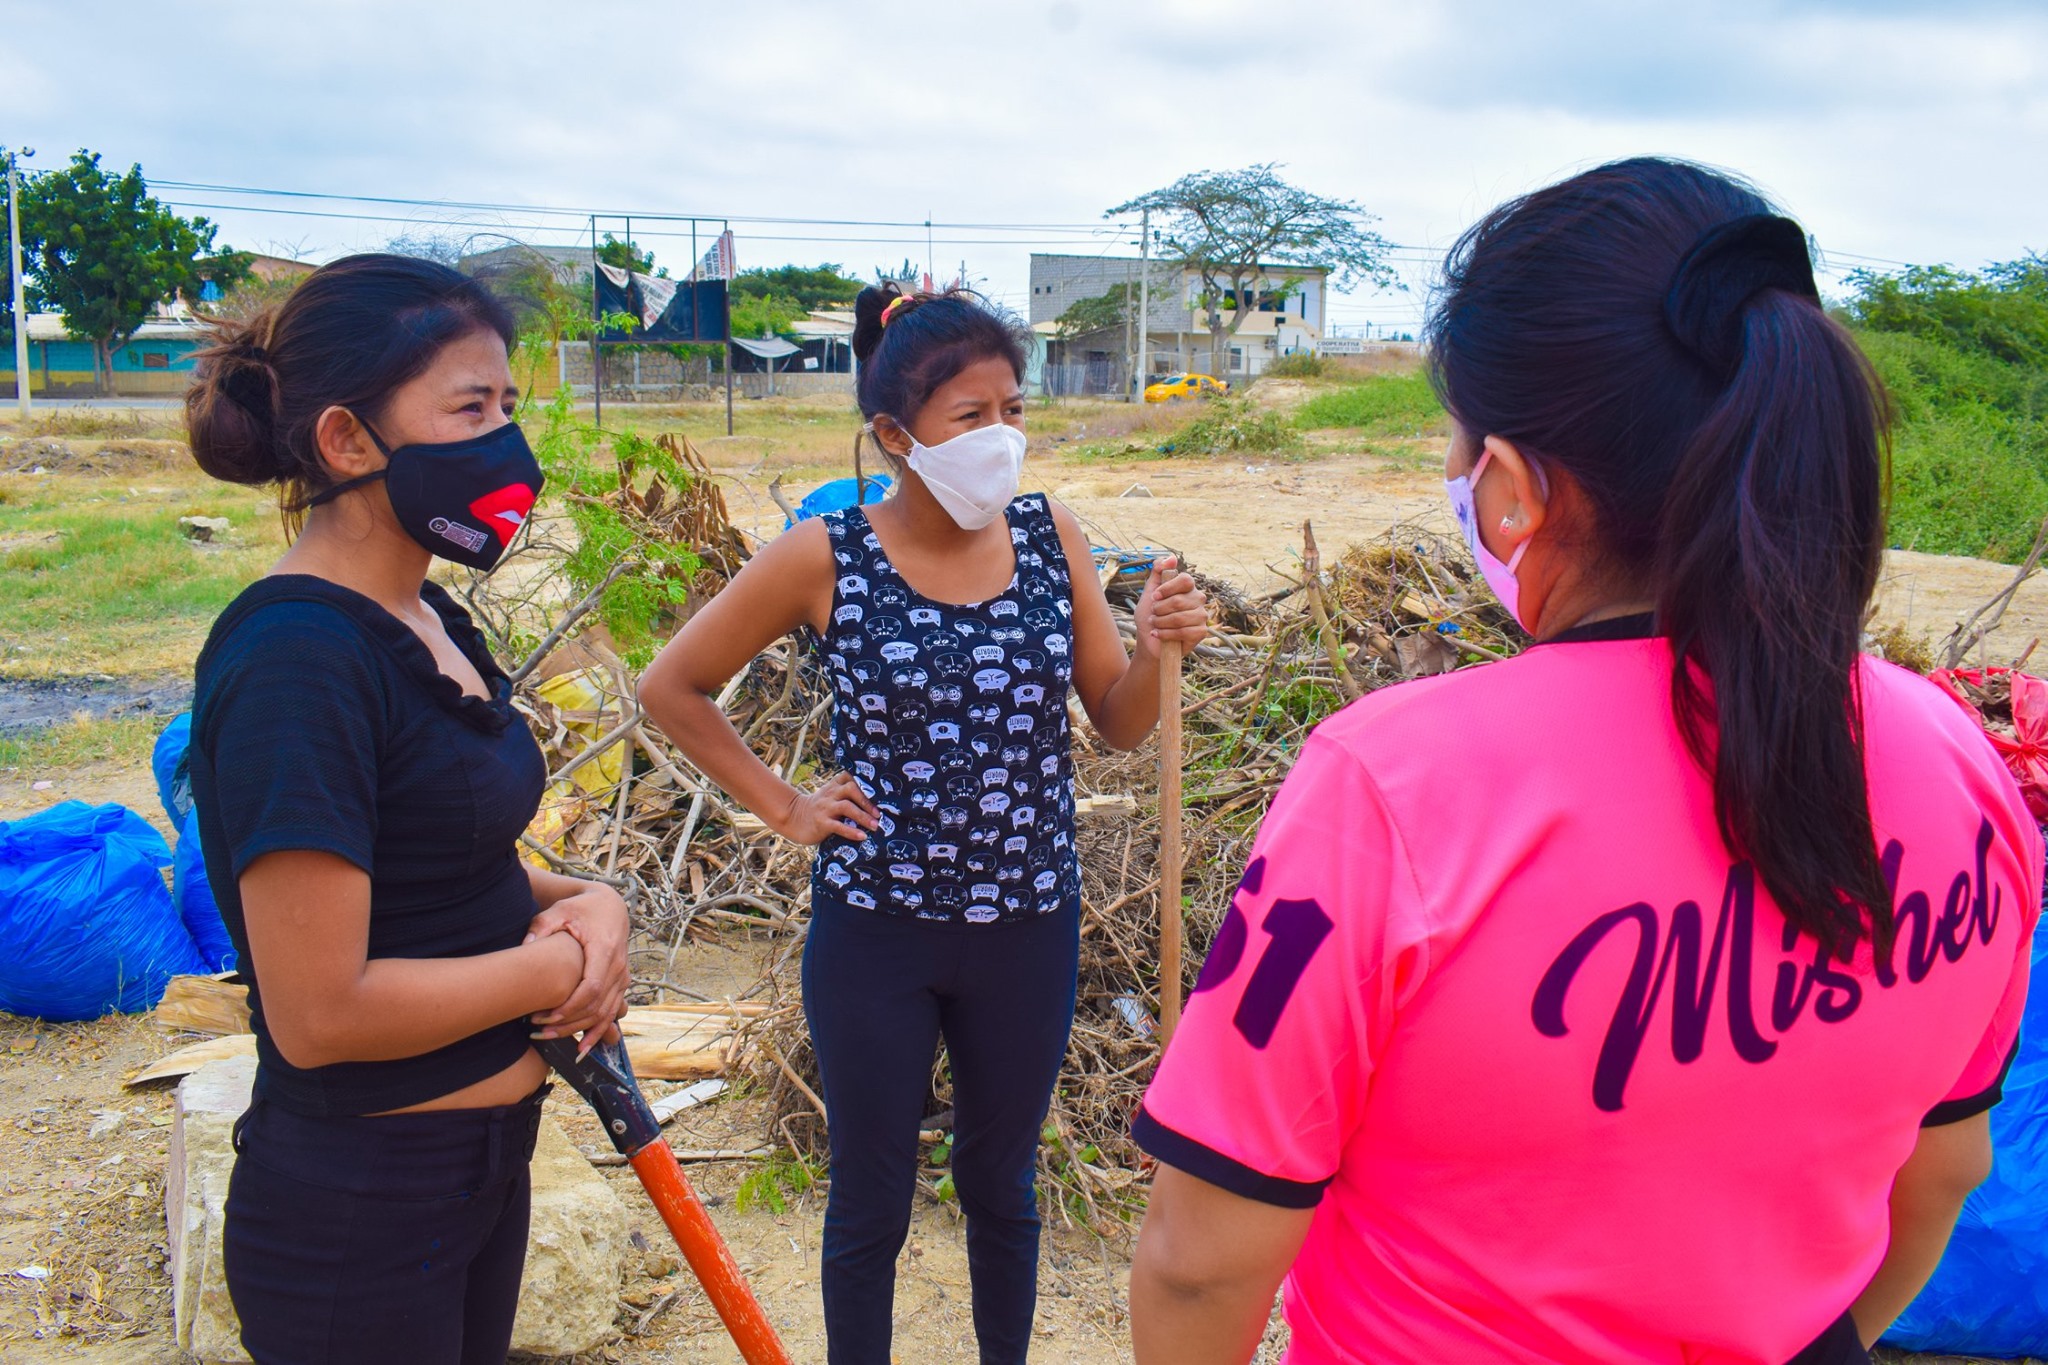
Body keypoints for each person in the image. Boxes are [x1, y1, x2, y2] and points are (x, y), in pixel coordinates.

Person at [1128, 158, 2042, 1365]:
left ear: (1509, 490)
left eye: (1454, 446)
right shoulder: (1958, 766)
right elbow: (1941, 1173)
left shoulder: (1391, 788)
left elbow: (1201, 1263)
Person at [638, 283, 1208, 1364]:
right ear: (896, 436)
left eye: (1013, 409)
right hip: (876, 932)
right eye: (970, 415)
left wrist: (1152, 650)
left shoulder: (1050, 535)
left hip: (1027, 922)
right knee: (870, 1199)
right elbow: (673, 686)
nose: (1002, 437)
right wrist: (786, 805)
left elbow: (1119, 720)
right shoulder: (827, 553)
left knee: (1002, 1186)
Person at [182, 254, 632, 1365]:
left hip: (480, 1172)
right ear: (346, 440)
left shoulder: (428, 616)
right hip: (361, 1212)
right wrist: (553, 969)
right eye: (469, 409)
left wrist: (589, 900)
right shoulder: (298, 659)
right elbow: (320, 1011)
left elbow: (440, 858)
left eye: (509, 406)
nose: (505, 442)